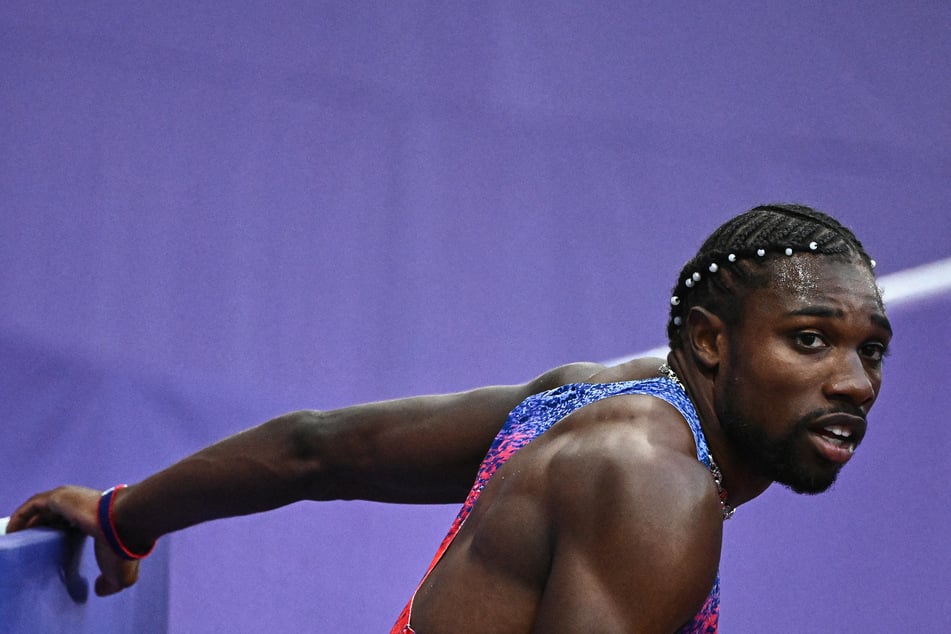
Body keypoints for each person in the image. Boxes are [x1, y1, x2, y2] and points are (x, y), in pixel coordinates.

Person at [8, 203, 892, 633]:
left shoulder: (596, 398)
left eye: (869, 350)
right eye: (809, 341)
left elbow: (319, 451)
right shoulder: (655, 484)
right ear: (709, 341)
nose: (852, 381)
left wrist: (125, 518)